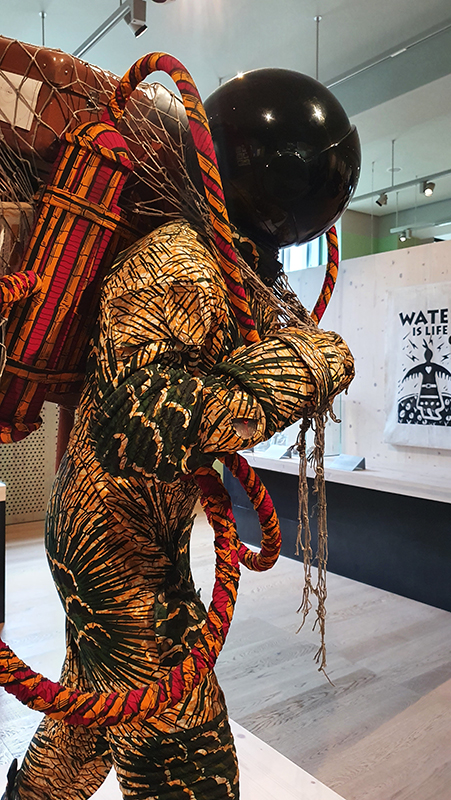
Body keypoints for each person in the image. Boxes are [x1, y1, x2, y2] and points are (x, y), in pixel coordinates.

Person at [3, 68, 359, 800]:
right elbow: (141, 424)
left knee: (93, 715)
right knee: (185, 755)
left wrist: (291, 350)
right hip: (114, 536)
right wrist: (308, 363)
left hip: (140, 526)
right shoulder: (180, 264)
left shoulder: (233, 266)